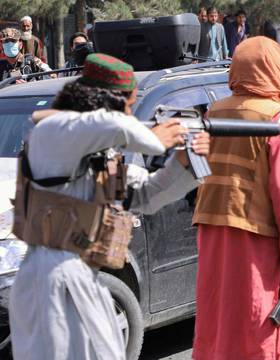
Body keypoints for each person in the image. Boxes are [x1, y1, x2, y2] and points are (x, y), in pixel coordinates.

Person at [9, 53, 210, 360]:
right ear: (104, 101)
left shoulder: (102, 155)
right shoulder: (52, 133)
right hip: (49, 277)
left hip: (85, 275)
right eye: (128, 105)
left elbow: (147, 194)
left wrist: (184, 162)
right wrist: (156, 137)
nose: (130, 114)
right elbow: (109, 124)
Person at [191, 36, 280, 359]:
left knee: (218, 313)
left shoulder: (215, 110)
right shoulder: (275, 116)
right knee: (257, 316)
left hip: (211, 224)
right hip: (254, 231)